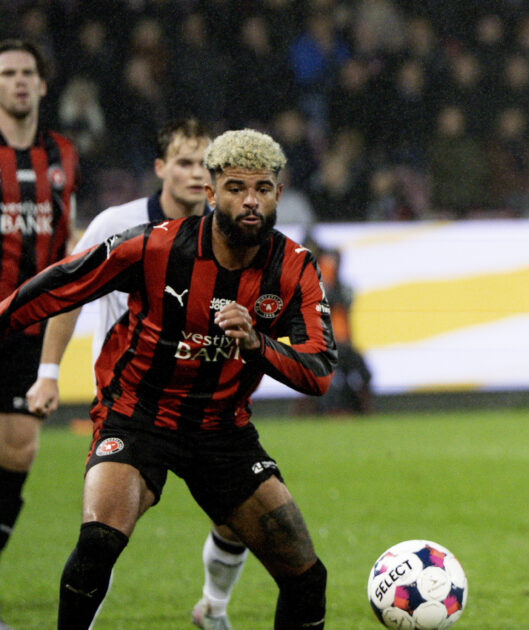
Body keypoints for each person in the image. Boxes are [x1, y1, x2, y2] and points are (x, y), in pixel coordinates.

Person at [0, 128, 335, 630]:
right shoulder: (154, 247)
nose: (250, 201)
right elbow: (63, 284)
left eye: (262, 189)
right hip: (137, 418)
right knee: (98, 541)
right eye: (236, 188)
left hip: (224, 432)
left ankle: (213, 607)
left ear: (278, 194)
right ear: (211, 192)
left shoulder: (294, 269)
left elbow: (319, 372)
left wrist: (257, 345)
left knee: (306, 576)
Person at [23, 118, 250, 630]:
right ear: (160, 168)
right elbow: (67, 298)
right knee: (104, 533)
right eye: (184, 162)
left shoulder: (231, 229)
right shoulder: (116, 225)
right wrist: (49, 372)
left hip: (204, 401)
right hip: (133, 406)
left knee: (238, 519)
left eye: (205, 164)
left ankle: (213, 607)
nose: (196, 175)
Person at [0, 39, 78, 629]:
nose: (19, 82)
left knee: (18, 451)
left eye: (28, 72)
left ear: (43, 85)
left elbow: (66, 233)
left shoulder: (63, 153)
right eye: (8, 73)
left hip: (29, 326)